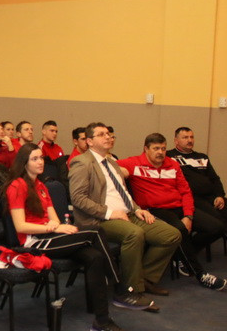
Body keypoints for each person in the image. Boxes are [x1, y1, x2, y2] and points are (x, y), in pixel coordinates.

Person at [4, 143, 131, 331]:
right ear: (24, 163)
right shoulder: (17, 186)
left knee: (94, 257)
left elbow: (54, 218)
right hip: (34, 243)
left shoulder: (41, 186)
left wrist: (57, 227)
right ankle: (120, 289)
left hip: (51, 237)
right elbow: (20, 226)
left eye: (41, 158)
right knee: (95, 232)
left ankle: (102, 322)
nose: (40, 162)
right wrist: (52, 228)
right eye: (34, 159)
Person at [69, 123, 180, 311]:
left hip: (127, 213)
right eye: (101, 134)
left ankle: (144, 279)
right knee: (134, 234)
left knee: (171, 235)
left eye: (108, 134)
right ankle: (128, 292)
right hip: (99, 220)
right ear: (89, 141)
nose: (107, 137)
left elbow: (123, 193)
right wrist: (110, 213)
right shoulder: (82, 162)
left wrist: (137, 209)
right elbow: (78, 198)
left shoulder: (112, 162)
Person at [118, 133, 227, 290]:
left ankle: (182, 255)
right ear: (146, 149)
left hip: (179, 207)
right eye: (156, 148)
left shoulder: (173, 164)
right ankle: (200, 274)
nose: (160, 152)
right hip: (155, 210)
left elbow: (186, 192)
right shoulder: (133, 163)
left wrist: (188, 215)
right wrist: (121, 171)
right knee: (180, 230)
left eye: (163, 148)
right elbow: (106, 165)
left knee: (217, 227)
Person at [168, 126, 227, 269]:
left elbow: (214, 179)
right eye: (185, 137)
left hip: (212, 196)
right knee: (219, 220)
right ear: (176, 141)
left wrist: (219, 195)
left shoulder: (202, 157)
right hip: (192, 198)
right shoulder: (170, 157)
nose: (189, 140)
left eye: (191, 137)